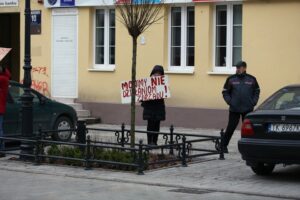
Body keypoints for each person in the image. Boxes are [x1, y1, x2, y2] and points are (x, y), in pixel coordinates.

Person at [222, 61, 260, 153]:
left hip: (248, 109)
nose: (237, 69)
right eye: (237, 67)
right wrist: (230, 101)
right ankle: (223, 146)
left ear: (245, 68)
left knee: (248, 129)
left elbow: (257, 91)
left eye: (239, 67)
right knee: (230, 128)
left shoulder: (252, 79)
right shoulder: (231, 79)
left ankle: (248, 148)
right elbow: (225, 91)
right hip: (234, 109)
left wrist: (253, 102)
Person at [141, 65, 166, 145]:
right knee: (150, 126)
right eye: (155, 73)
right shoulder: (147, 83)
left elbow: (165, 94)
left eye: (159, 74)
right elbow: (141, 96)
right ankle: (149, 142)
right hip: (149, 109)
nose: (157, 75)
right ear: (152, 73)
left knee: (156, 126)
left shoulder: (163, 84)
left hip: (158, 109)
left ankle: (155, 142)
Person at [0, 64, 10, 157]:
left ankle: (2, 150)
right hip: (1, 108)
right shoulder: (5, 78)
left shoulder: (2, 79)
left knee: (0, 130)